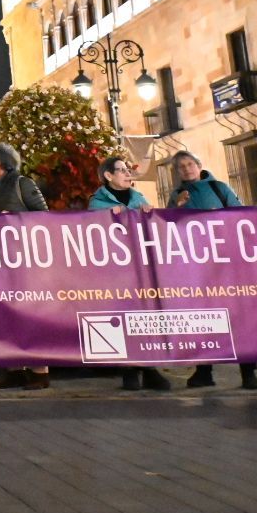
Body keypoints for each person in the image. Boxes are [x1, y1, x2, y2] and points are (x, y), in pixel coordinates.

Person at [169, 150, 257, 390]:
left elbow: (239, 216)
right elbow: (168, 229)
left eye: (190, 164)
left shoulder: (219, 188)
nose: (187, 169)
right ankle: (204, 371)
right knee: (203, 319)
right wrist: (176, 208)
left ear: (199, 165)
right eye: (181, 167)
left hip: (227, 264)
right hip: (197, 268)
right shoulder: (177, 195)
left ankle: (248, 372)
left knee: (239, 319)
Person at [89, 157, 171, 391]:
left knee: (145, 318)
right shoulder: (97, 202)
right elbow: (92, 229)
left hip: (141, 269)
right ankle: (129, 371)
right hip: (115, 272)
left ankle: (150, 369)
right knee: (123, 318)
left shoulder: (139, 199)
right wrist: (106, 217)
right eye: (122, 170)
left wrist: (150, 214)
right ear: (108, 176)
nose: (127, 174)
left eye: (128, 170)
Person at [0, 143, 50, 389]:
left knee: (30, 314)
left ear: (0, 162)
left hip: (26, 260)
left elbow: (44, 216)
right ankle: (14, 369)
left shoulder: (23, 184)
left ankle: (40, 371)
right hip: (4, 260)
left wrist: (17, 218)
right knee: (7, 314)